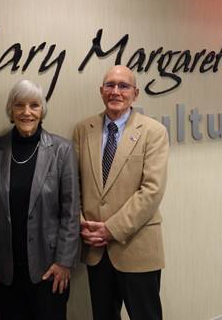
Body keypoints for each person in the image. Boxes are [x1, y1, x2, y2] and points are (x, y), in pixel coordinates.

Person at [0, 79, 80, 320]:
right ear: (11, 111)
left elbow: (70, 212)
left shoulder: (62, 151)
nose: (26, 112)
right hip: (5, 270)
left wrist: (64, 262)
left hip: (49, 270)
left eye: (34, 105)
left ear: (42, 111)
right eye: (19, 105)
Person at [72, 65, 169, 320]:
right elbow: (73, 184)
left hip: (137, 247)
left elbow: (151, 191)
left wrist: (111, 229)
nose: (116, 91)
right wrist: (83, 225)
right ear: (101, 91)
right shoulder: (83, 130)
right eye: (110, 85)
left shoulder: (153, 132)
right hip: (96, 250)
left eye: (123, 86)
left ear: (135, 93)